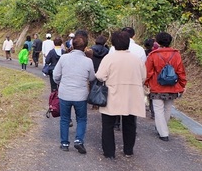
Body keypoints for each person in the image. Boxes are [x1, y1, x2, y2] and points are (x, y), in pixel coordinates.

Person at [96, 30, 146, 159]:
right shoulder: (136, 59)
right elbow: (143, 77)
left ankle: (109, 152)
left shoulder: (109, 58)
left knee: (108, 125)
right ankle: (128, 150)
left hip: (113, 94)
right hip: (132, 95)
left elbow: (101, 76)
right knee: (130, 124)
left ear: (113, 44)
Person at [53, 30, 96, 154]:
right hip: (81, 95)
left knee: (65, 119)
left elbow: (56, 75)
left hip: (65, 93)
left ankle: (64, 143)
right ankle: (78, 140)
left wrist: (60, 82)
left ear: (72, 45)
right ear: (85, 47)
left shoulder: (64, 58)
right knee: (81, 119)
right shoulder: (88, 61)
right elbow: (92, 77)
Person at [145, 32, 187, 142]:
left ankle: (163, 133)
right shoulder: (176, 54)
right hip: (172, 85)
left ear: (158, 42)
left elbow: (148, 72)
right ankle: (162, 128)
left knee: (158, 109)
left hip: (157, 86)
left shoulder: (153, 55)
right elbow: (180, 71)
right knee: (168, 107)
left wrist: (145, 83)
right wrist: (182, 84)